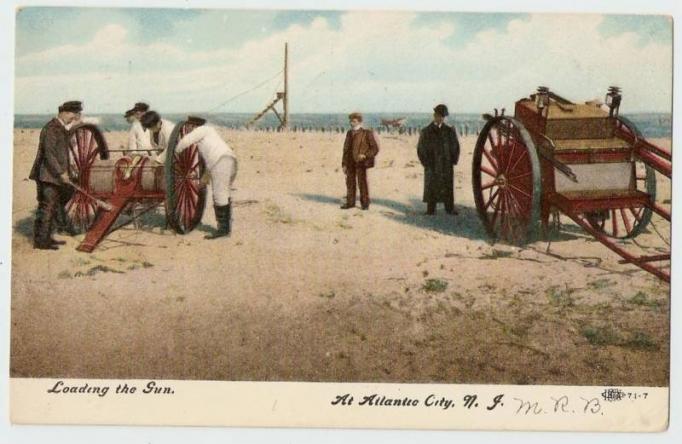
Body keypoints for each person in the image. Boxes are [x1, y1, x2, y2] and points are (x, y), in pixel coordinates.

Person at [29, 100, 83, 250]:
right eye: (73, 115)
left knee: (53, 206)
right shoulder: (52, 128)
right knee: (47, 208)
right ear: (64, 113)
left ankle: (46, 238)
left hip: (55, 176)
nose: (73, 118)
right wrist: (61, 172)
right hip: (47, 175)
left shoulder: (60, 127)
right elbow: (49, 154)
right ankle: (41, 242)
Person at [174, 116, 238, 239]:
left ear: (193, 125)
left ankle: (223, 230)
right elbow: (210, 162)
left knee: (220, 195)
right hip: (228, 159)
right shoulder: (209, 133)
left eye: (189, 127)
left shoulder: (201, 130)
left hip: (221, 161)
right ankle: (225, 228)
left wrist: (175, 152)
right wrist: (203, 181)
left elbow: (185, 141)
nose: (188, 129)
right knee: (224, 193)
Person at [417, 104, 460, 215]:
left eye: (442, 116)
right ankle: (431, 209)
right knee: (431, 186)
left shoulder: (449, 131)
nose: (440, 118)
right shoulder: (426, 131)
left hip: (446, 165)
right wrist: (426, 163)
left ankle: (449, 208)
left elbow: (455, 146)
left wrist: (453, 160)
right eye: (439, 116)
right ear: (434, 116)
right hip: (432, 165)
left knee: (447, 186)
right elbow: (421, 149)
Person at [340, 112, 379, 210]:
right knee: (350, 183)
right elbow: (345, 150)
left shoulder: (367, 133)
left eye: (354, 121)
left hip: (361, 162)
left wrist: (365, 155)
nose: (351, 123)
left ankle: (365, 204)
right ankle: (350, 203)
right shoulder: (349, 133)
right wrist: (344, 164)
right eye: (351, 121)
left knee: (362, 183)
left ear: (359, 122)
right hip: (350, 162)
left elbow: (375, 148)